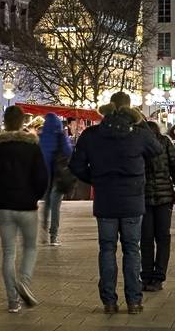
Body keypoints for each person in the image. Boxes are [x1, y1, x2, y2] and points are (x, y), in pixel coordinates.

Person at [68, 101, 162, 314]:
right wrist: (141, 121)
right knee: (132, 249)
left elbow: (76, 165)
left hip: (105, 200)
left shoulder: (92, 135)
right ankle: (134, 301)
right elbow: (157, 149)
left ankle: (109, 301)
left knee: (107, 249)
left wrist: (95, 180)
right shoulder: (138, 134)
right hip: (133, 200)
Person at [0, 105, 49, 314]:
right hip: (27, 206)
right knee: (30, 248)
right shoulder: (32, 147)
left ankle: (12, 301)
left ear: (5, 121)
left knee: (8, 253)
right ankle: (24, 282)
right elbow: (42, 177)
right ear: (22, 122)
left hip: (4, 207)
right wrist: (35, 196)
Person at [141, 121, 175, 292]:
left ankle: (147, 276)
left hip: (145, 197)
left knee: (146, 238)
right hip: (164, 196)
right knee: (162, 237)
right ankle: (157, 277)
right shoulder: (165, 142)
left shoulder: (142, 144)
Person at [38, 112, 74, 247]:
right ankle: (53, 235)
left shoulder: (41, 137)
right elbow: (68, 151)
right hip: (59, 176)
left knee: (46, 205)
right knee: (55, 207)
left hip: (46, 176)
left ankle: (43, 230)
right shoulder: (60, 136)